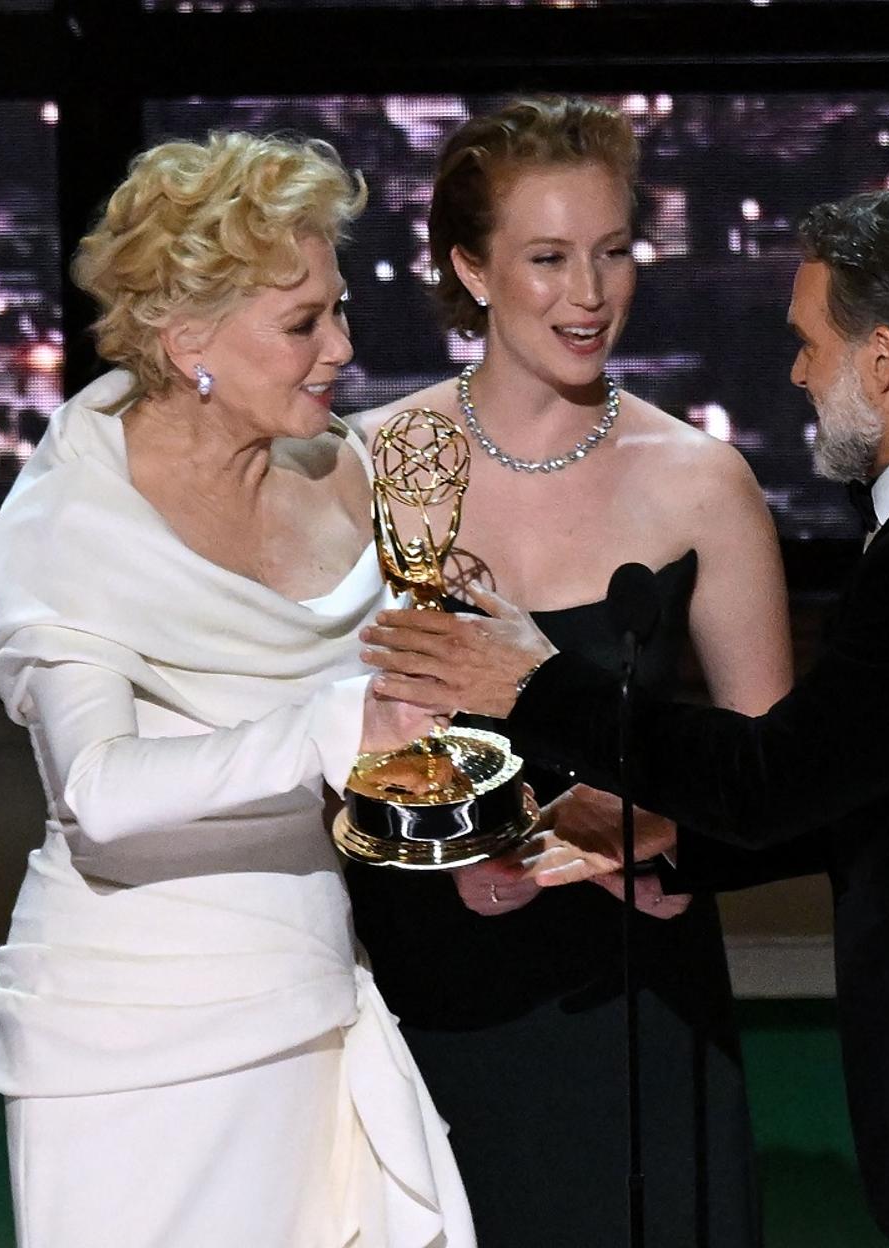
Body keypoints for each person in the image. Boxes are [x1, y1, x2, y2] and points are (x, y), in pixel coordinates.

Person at [360, 187, 889, 1248]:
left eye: (808, 344)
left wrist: (532, 682)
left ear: (882, 359)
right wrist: (673, 847)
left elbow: (777, 777)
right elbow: (872, 791)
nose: (796, 374)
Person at [0, 132, 473, 1248]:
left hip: (321, 997)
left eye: (337, 309)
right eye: (303, 324)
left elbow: (399, 723)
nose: (342, 346)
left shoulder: (342, 472)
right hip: (135, 1040)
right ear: (184, 334)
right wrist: (334, 727)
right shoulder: (73, 529)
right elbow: (96, 789)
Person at [345, 96, 791, 1248]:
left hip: (638, 999)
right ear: (470, 269)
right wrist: (443, 855)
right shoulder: (374, 466)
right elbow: (321, 745)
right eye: (548, 258)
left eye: (612, 253)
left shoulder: (700, 480)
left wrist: (650, 839)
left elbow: (773, 783)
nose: (589, 296)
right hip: (430, 993)